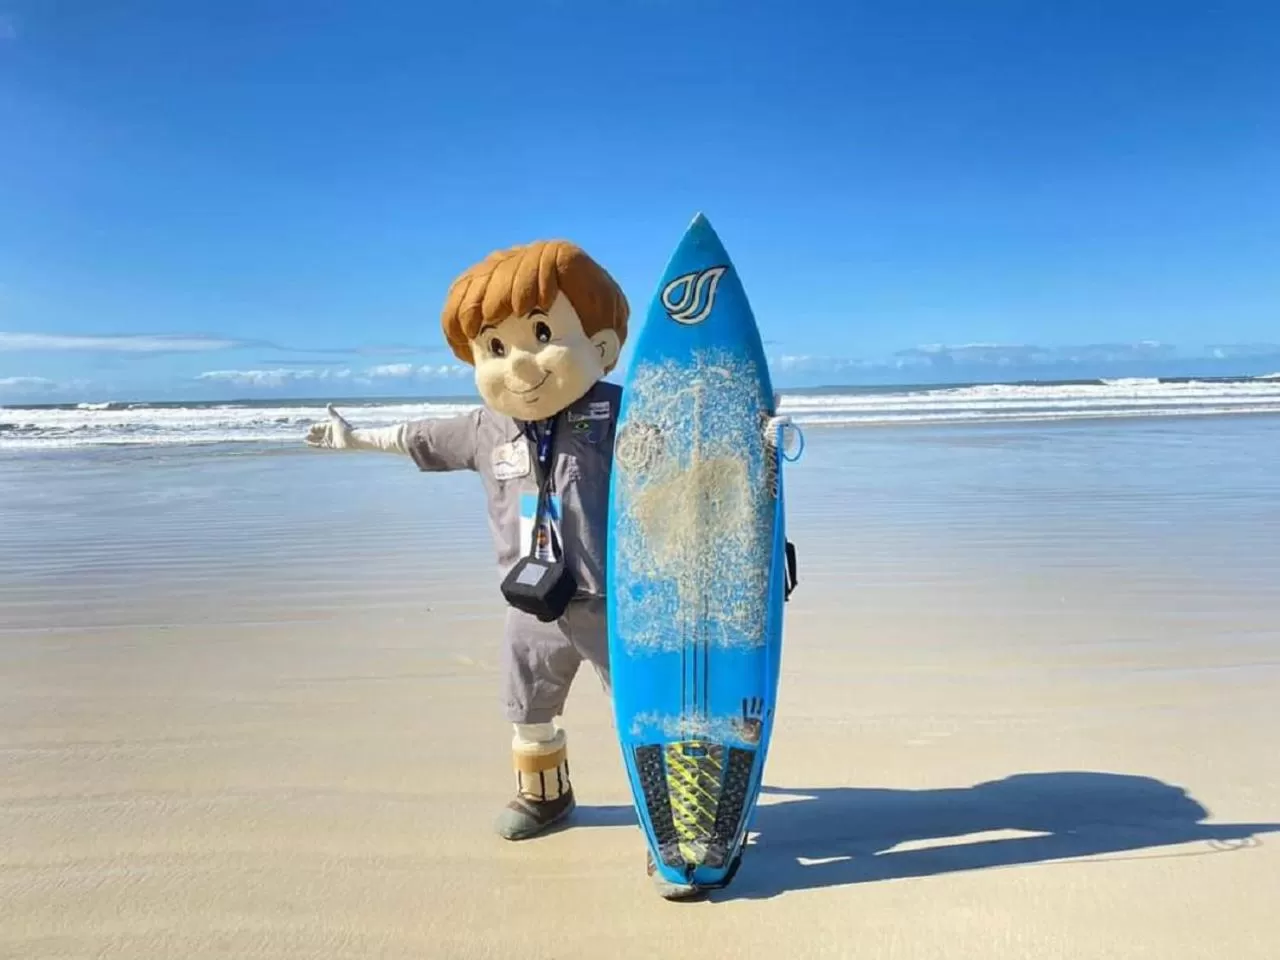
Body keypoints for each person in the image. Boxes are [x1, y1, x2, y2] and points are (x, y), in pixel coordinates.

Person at [305, 239, 704, 901]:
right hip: (533, 604)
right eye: (493, 348)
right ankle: (546, 797)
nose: (516, 364)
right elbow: (414, 437)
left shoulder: (621, 412)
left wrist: (751, 444)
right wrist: (353, 437)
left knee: (644, 712)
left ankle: (673, 827)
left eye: (541, 335)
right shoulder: (487, 427)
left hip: (616, 602)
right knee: (528, 709)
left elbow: (690, 453)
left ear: (602, 347)